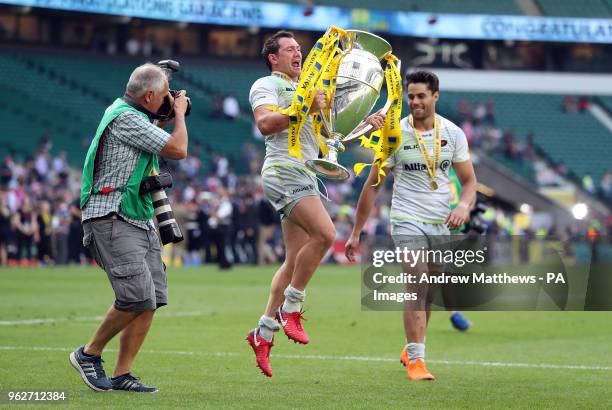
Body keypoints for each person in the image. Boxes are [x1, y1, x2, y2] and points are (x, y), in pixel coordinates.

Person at [246, 30, 384, 377]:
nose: (298, 54)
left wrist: (364, 124)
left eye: (299, 49)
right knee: (325, 234)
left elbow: (327, 140)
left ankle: (262, 333)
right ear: (272, 58)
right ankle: (291, 308)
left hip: (305, 174)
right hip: (283, 171)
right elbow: (265, 123)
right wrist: (304, 104)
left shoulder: (311, 90)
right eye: (290, 50)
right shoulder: (267, 85)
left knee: (294, 261)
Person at [345, 70, 477, 381]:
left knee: (429, 291)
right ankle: (417, 361)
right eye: (411, 96)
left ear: (435, 96)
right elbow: (373, 186)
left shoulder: (454, 134)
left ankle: (414, 348)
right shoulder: (395, 134)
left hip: (439, 222)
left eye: (420, 96)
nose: (414, 102)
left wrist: (463, 205)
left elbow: (470, 183)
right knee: (417, 284)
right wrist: (355, 231)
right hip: (406, 220)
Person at [69, 63, 189, 392]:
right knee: (135, 295)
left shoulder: (131, 112)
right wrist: (178, 114)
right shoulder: (126, 118)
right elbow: (179, 149)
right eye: (164, 96)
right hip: (110, 215)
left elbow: (153, 123)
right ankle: (88, 353)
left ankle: (122, 374)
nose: (168, 100)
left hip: (137, 216)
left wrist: (166, 98)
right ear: (149, 95)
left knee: (152, 298)